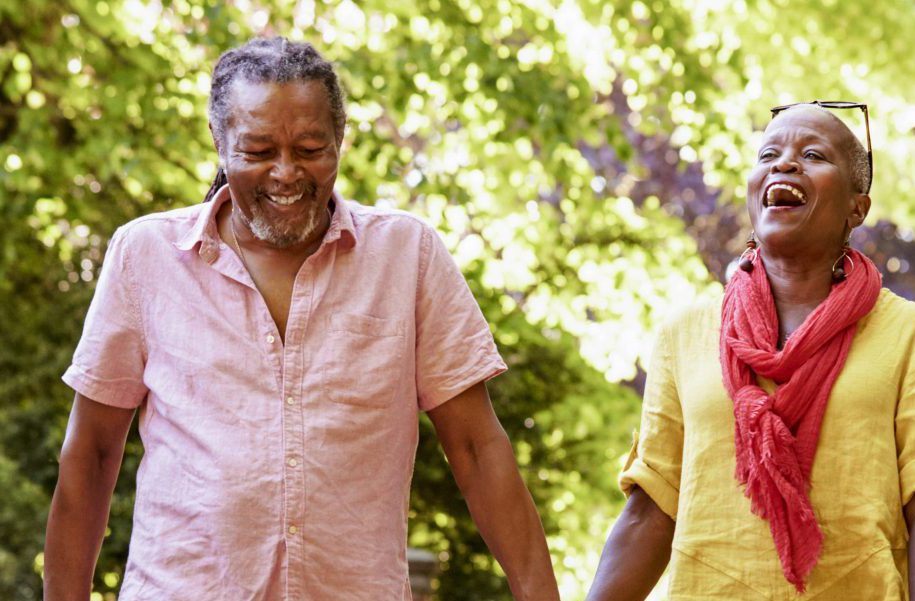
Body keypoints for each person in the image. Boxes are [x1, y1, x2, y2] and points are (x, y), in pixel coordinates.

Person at [44, 37, 559, 601]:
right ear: (220, 144)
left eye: (310, 148)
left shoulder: (406, 256)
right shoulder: (145, 255)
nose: (286, 174)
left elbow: (478, 450)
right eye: (259, 150)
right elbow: (91, 453)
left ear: (340, 141)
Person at [587, 102, 915, 600]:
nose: (785, 164)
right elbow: (650, 510)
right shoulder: (684, 335)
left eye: (813, 154)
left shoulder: (913, 333)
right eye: (768, 152)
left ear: (857, 208)